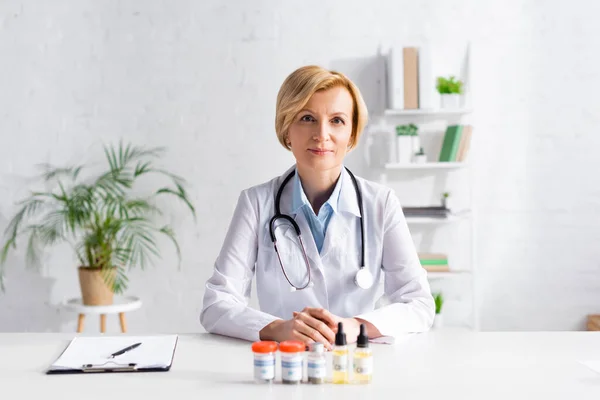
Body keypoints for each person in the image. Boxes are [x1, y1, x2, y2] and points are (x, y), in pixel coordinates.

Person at [200, 65, 434, 348]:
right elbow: (216, 304)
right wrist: (279, 329)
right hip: (284, 362)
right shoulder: (256, 203)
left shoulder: (381, 203)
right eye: (307, 118)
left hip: (355, 363)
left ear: (352, 134)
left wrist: (353, 326)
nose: (322, 134)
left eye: (337, 120)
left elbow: (419, 303)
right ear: (287, 130)